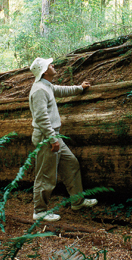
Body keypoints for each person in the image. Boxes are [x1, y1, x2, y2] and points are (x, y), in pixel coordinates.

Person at [28, 57, 97, 222]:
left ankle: (77, 201)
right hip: (47, 138)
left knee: (71, 164)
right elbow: (41, 118)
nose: (53, 65)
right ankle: (40, 211)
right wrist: (53, 140)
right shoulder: (39, 90)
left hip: (54, 136)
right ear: (44, 71)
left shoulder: (47, 86)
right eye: (50, 65)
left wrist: (79, 88)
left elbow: (60, 90)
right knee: (45, 175)